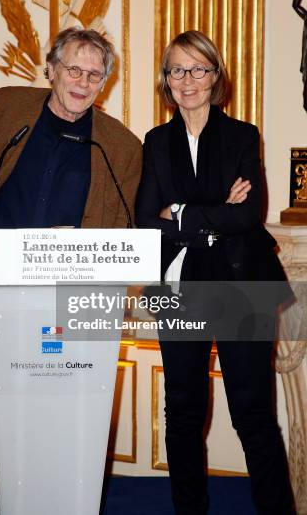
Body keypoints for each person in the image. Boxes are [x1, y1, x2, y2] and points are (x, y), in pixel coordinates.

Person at [0, 27, 142, 515]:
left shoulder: (121, 146)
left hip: (66, 296)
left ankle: (51, 501)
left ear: (105, 83)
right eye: (73, 68)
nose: (82, 81)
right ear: (50, 69)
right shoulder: (6, 108)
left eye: (94, 74)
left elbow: (128, 223)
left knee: (54, 404)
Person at [135, 30, 295, 515]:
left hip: (242, 287)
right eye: (177, 70)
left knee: (253, 414)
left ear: (215, 76)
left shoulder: (242, 135)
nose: (188, 80)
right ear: (166, 80)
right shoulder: (156, 142)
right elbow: (145, 220)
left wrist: (179, 214)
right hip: (179, 288)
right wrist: (212, 214)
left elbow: (248, 216)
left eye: (199, 69)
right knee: (183, 412)